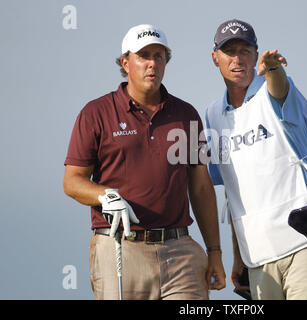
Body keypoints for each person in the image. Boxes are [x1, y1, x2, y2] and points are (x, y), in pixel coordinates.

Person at [63, 24, 225, 300]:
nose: (152, 64)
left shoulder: (186, 114)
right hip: (120, 247)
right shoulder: (96, 113)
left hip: (180, 252)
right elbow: (72, 181)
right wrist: (104, 195)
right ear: (126, 63)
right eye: (143, 56)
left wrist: (214, 252)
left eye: (159, 56)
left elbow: (200, 187)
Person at [205, 19, 307, 300]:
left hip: (305, 241)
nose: (238, 59)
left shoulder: (273, 90)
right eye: (229, 51)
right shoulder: (213, 115)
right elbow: (232, 192)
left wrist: (274, 69)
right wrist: (238, 257)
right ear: (215, 58)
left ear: (255, 55)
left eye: (245, 51)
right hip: (258, 255)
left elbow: (279, 89)